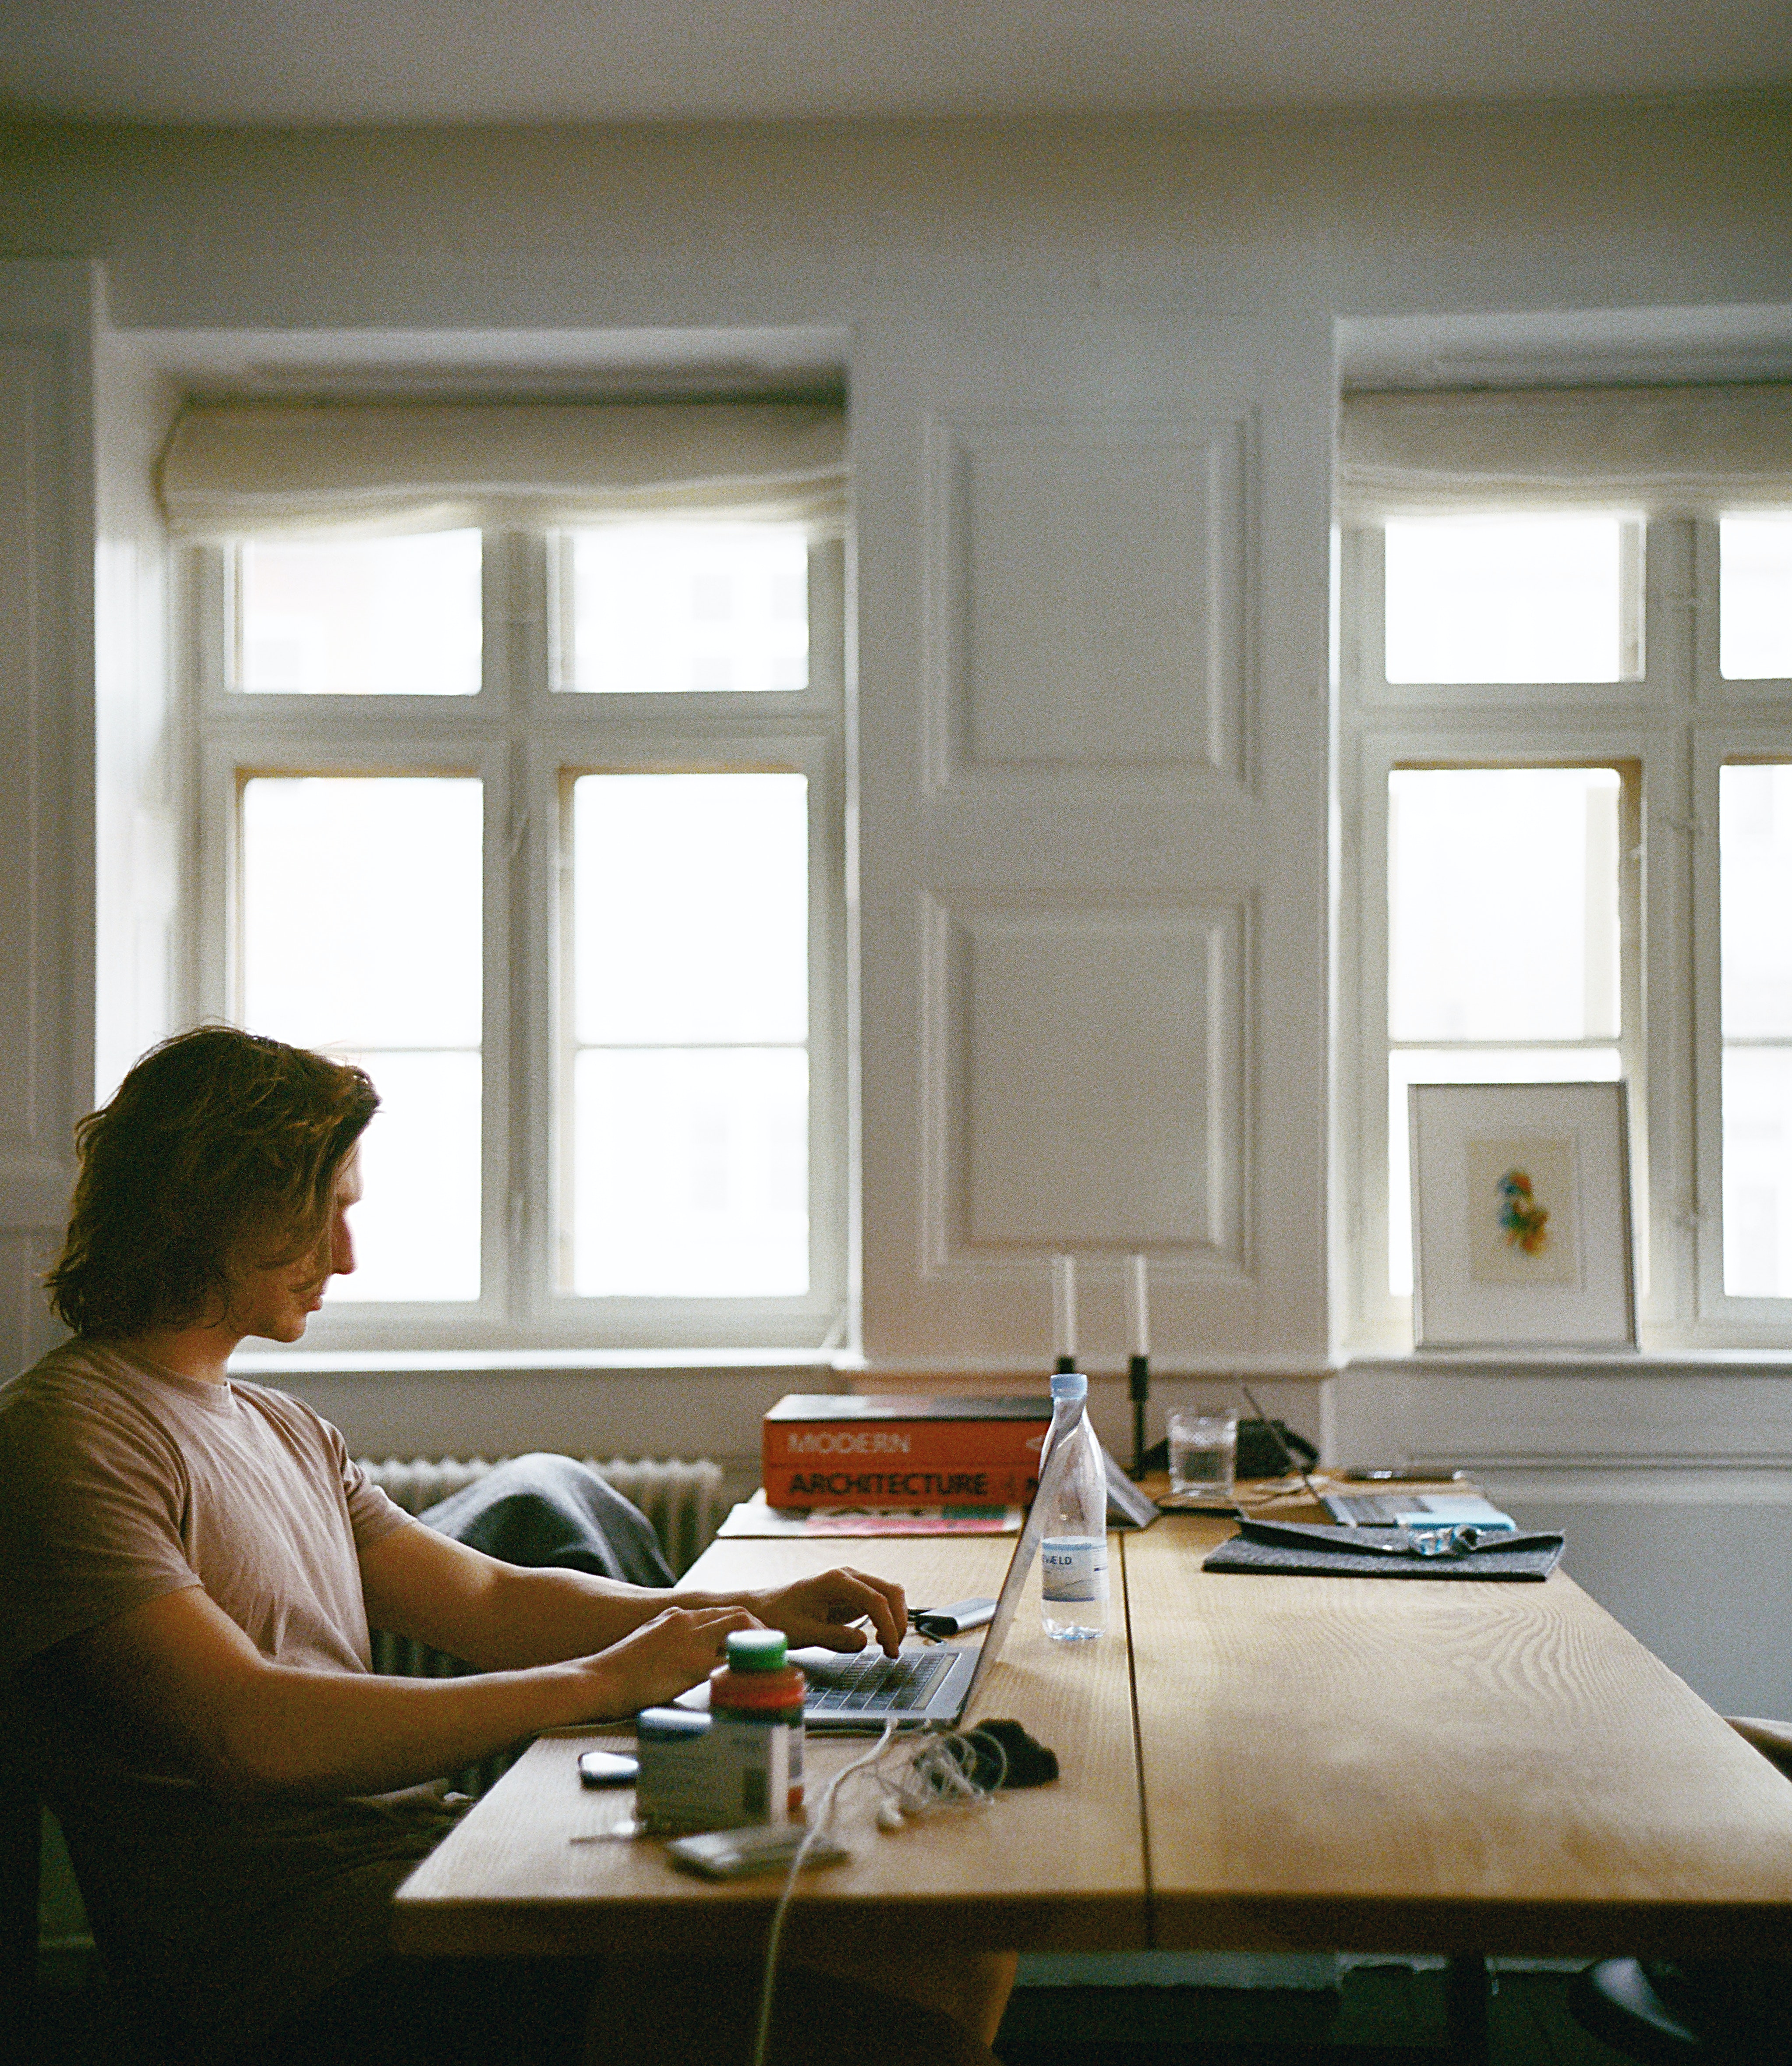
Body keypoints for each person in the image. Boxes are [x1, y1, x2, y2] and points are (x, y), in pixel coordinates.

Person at [0, 1027, 1013, 2065]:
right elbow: (252, 1736)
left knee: (956, 1938)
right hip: (309, 1969)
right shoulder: (69, 1437)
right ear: (209, 1205)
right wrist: (600, 1680)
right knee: (902, 2030)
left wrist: (748, 1616)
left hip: (423, 1871)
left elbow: (485, 1600)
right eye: (321, 1218)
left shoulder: (284, 1428)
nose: (344, 1257)